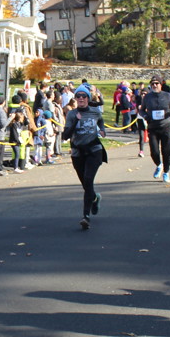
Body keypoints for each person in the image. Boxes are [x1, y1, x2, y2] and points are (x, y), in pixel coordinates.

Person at [61, 84, 106, 230]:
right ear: (75, 98)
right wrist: (75, 121)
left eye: (84, 96)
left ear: (88, 98)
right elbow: (65, 136)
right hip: (78, 152)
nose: (81, 98)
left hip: (94, 150)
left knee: (88, 179)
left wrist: (102, 130)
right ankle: (95, 197)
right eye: (78, 96)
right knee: (86, 185)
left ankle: (86, 217)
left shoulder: (95, 111)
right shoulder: (72, 114)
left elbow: (101, 121)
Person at [142, 77, 170, 184]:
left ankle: (166, 172)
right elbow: (142, 110)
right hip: (152, 127)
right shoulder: (147, 97)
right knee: (154, 151)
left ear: (161, 84)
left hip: (165, 126)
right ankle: (159, 164)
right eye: (152, 83)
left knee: (166, 151)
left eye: (156, 83)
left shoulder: (167, 95)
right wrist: (146, 116)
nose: (154, 85)